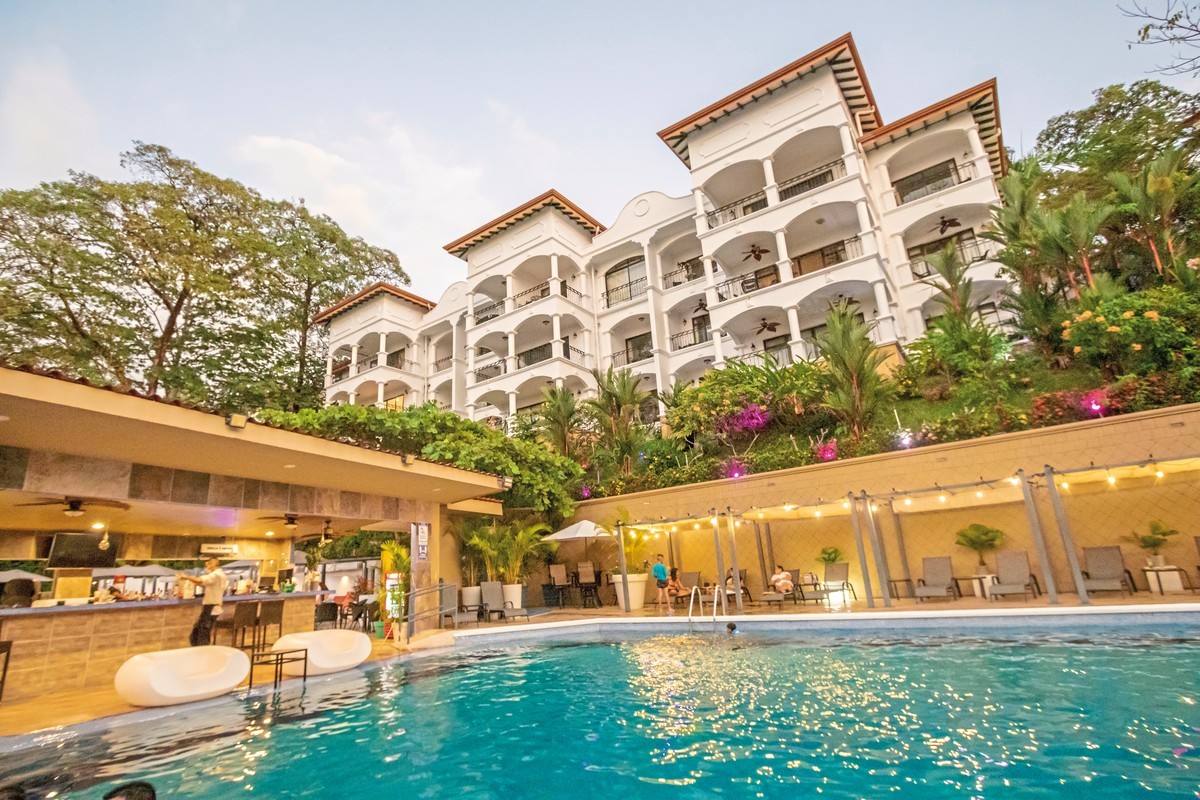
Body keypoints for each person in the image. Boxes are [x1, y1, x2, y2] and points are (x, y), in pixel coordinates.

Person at [178, 557, 229, 646]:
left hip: (211, 606)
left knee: (202, 632)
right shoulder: (222, 575)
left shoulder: (216, 575)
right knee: (200, 630)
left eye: (208, 565)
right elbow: (205, 584)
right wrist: (193, 581)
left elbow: (201, 580)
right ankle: (200, 651)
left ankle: (202, 652)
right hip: (215, 606)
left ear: (213, 564)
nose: (207, 568)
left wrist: (186, 577)